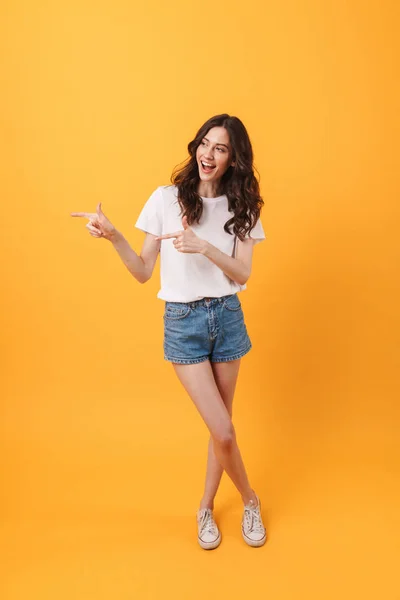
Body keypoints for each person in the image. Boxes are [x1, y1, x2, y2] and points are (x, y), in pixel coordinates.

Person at [71, 113, 267, 550]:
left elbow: (242, 274)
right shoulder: (166, 199)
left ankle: (204, 507)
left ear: (233, 158)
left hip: (227, 317)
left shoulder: (242, 206)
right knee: (224, 432)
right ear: (195, 146)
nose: (208, 153)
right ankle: (250, 499)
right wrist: (114, 236)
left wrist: (205, 246)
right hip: (183, 323)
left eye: (220, 148)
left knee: (222, 430)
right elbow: (143, 271)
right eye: (204, 143)